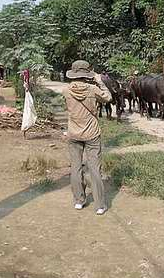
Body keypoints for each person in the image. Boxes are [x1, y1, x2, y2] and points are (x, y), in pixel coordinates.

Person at [62, 60, 112, 215]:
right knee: (94, 168)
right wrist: (100, 82)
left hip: (74, 133)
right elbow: (108, 98)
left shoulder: (66, 90)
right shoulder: (93, 89)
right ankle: (99, 205)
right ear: (87, 74)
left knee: (76, 167)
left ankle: (79, 201)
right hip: (92, 133)